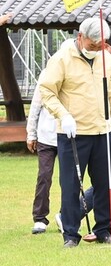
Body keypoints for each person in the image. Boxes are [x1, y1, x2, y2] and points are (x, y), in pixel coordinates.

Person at [38, 17, 111, 247]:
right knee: (70, 185)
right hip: (72, 133)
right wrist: (63, 115)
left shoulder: (106, 59)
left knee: (105, 183)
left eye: (100, 45)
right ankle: (70, 234)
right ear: (80, 37)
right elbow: (47, 92)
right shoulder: (61, 59)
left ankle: (104, 229)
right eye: (93, 45)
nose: (96, 49)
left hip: (102, 130)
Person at [81, 25, 111, 239]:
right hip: (96, 128)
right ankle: (70, 213)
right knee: (105, 180)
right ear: (107, 44)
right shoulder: (96, 62)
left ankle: (109, 223)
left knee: (109, 179)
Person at [26, 74, 58, 234]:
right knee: (44, 176)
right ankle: (39, 218)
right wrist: (31, 133)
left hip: (70, 135)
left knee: (70, 179)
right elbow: (36, 105)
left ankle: (67, 216)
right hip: (46, 136)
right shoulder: (47, 73)